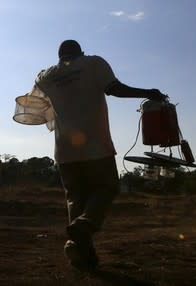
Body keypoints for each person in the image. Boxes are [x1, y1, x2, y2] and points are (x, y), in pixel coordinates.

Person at [34, 39, 166, 272]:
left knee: (76, 198)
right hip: (94, 144)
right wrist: (148, 93)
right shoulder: (93, 63)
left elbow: (35, 103)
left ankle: (80, 255)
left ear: (59, 56)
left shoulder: (45, 76)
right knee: (107, 187)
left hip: (64, 149)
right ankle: (87, 224)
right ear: (80, 52)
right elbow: (113, 88)